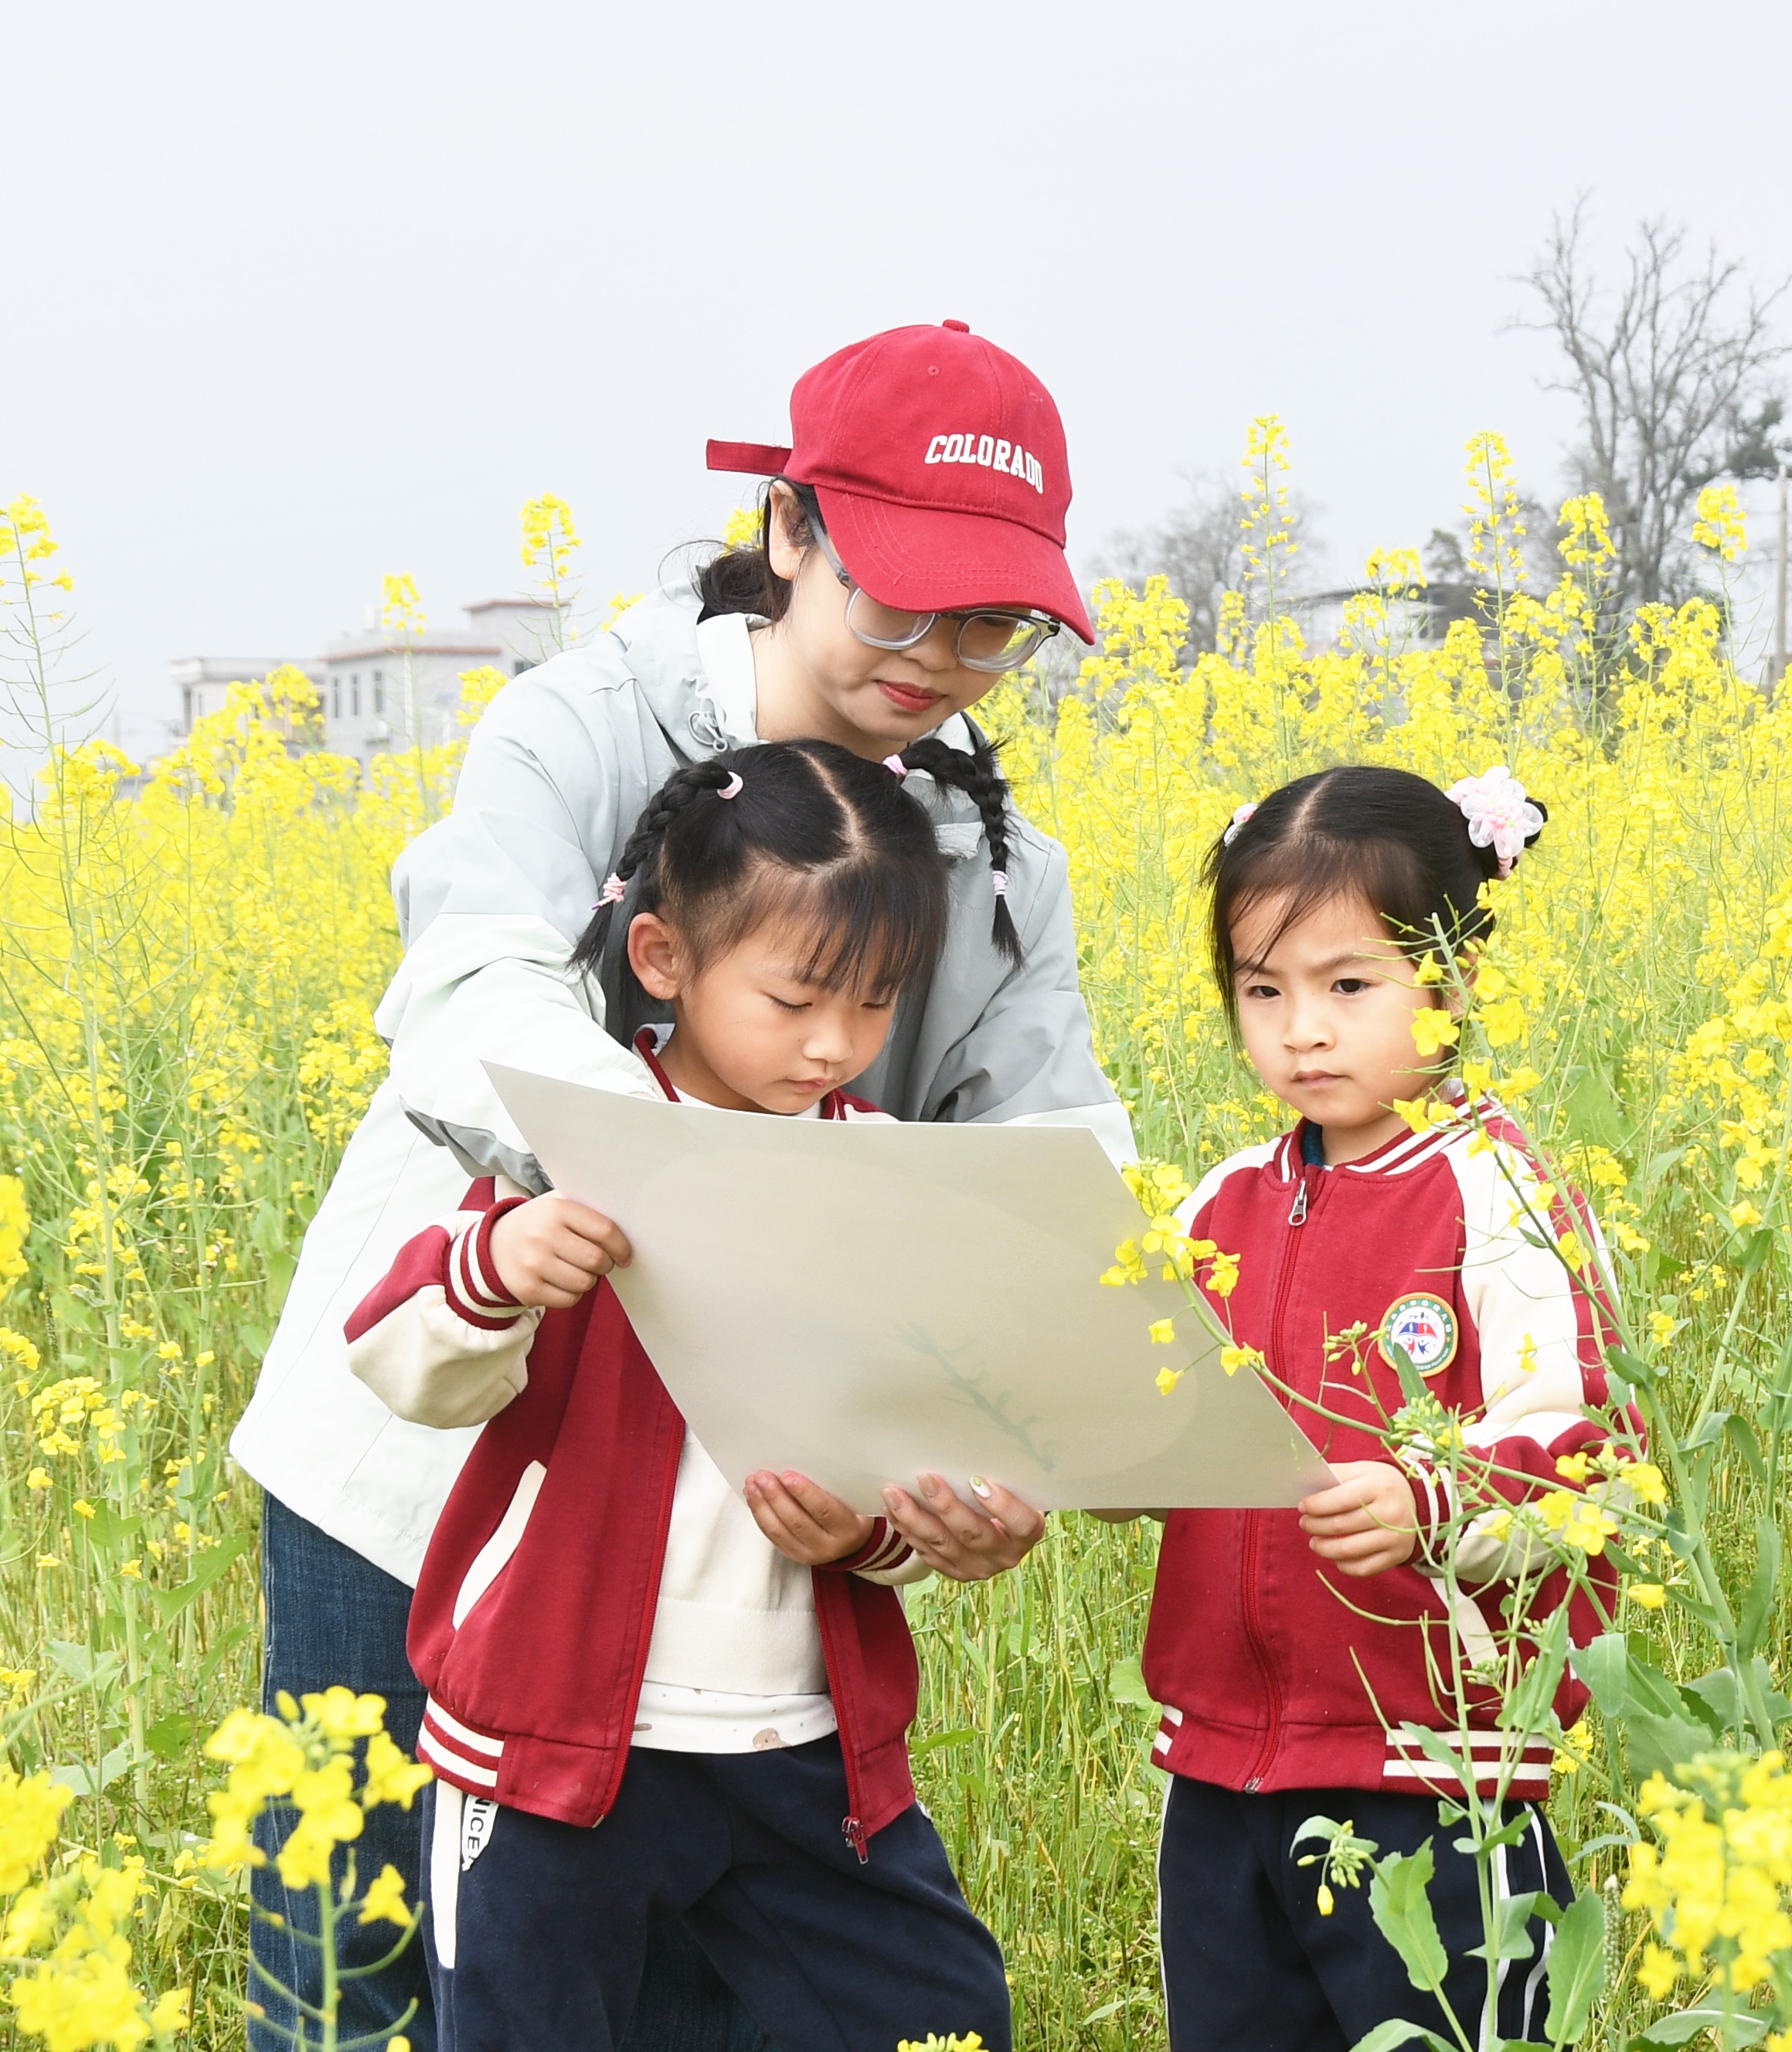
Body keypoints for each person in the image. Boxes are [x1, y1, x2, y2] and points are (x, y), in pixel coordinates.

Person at [225, 319, 1126, 2050]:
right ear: (789, 530)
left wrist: (1017, 1443)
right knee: (351, 1988)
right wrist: (684, 1190)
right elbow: (473, 983)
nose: (943, 661)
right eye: (903, 602)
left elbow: (1050, 1164)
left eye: (992, 626)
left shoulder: (998, 858)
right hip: (430, 1458)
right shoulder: (580, 723)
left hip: (714, 1576)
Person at [344, 740, 1023, 2051]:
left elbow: (923, 1449)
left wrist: (874, 1533)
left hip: (803, 1744)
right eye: (795, 998)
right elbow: (400, 1366)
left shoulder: (887, 1180)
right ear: (662, 958)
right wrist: (500, 1266)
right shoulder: (578, 1146)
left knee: (942, 2016)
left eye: (876, 1002)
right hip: (546, 1742)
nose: (834, 1043)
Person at [1128, 764, 1634, 2050]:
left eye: (1347, 987)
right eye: (1262, 991)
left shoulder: (1502, 1197)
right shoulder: (1220, 1201)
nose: (1300, 1031)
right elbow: (1144, 1409)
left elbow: (1594, 1456)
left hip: (1434, 1774)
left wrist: (1430, 1502)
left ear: (1455, 981)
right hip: (1221, 1763)